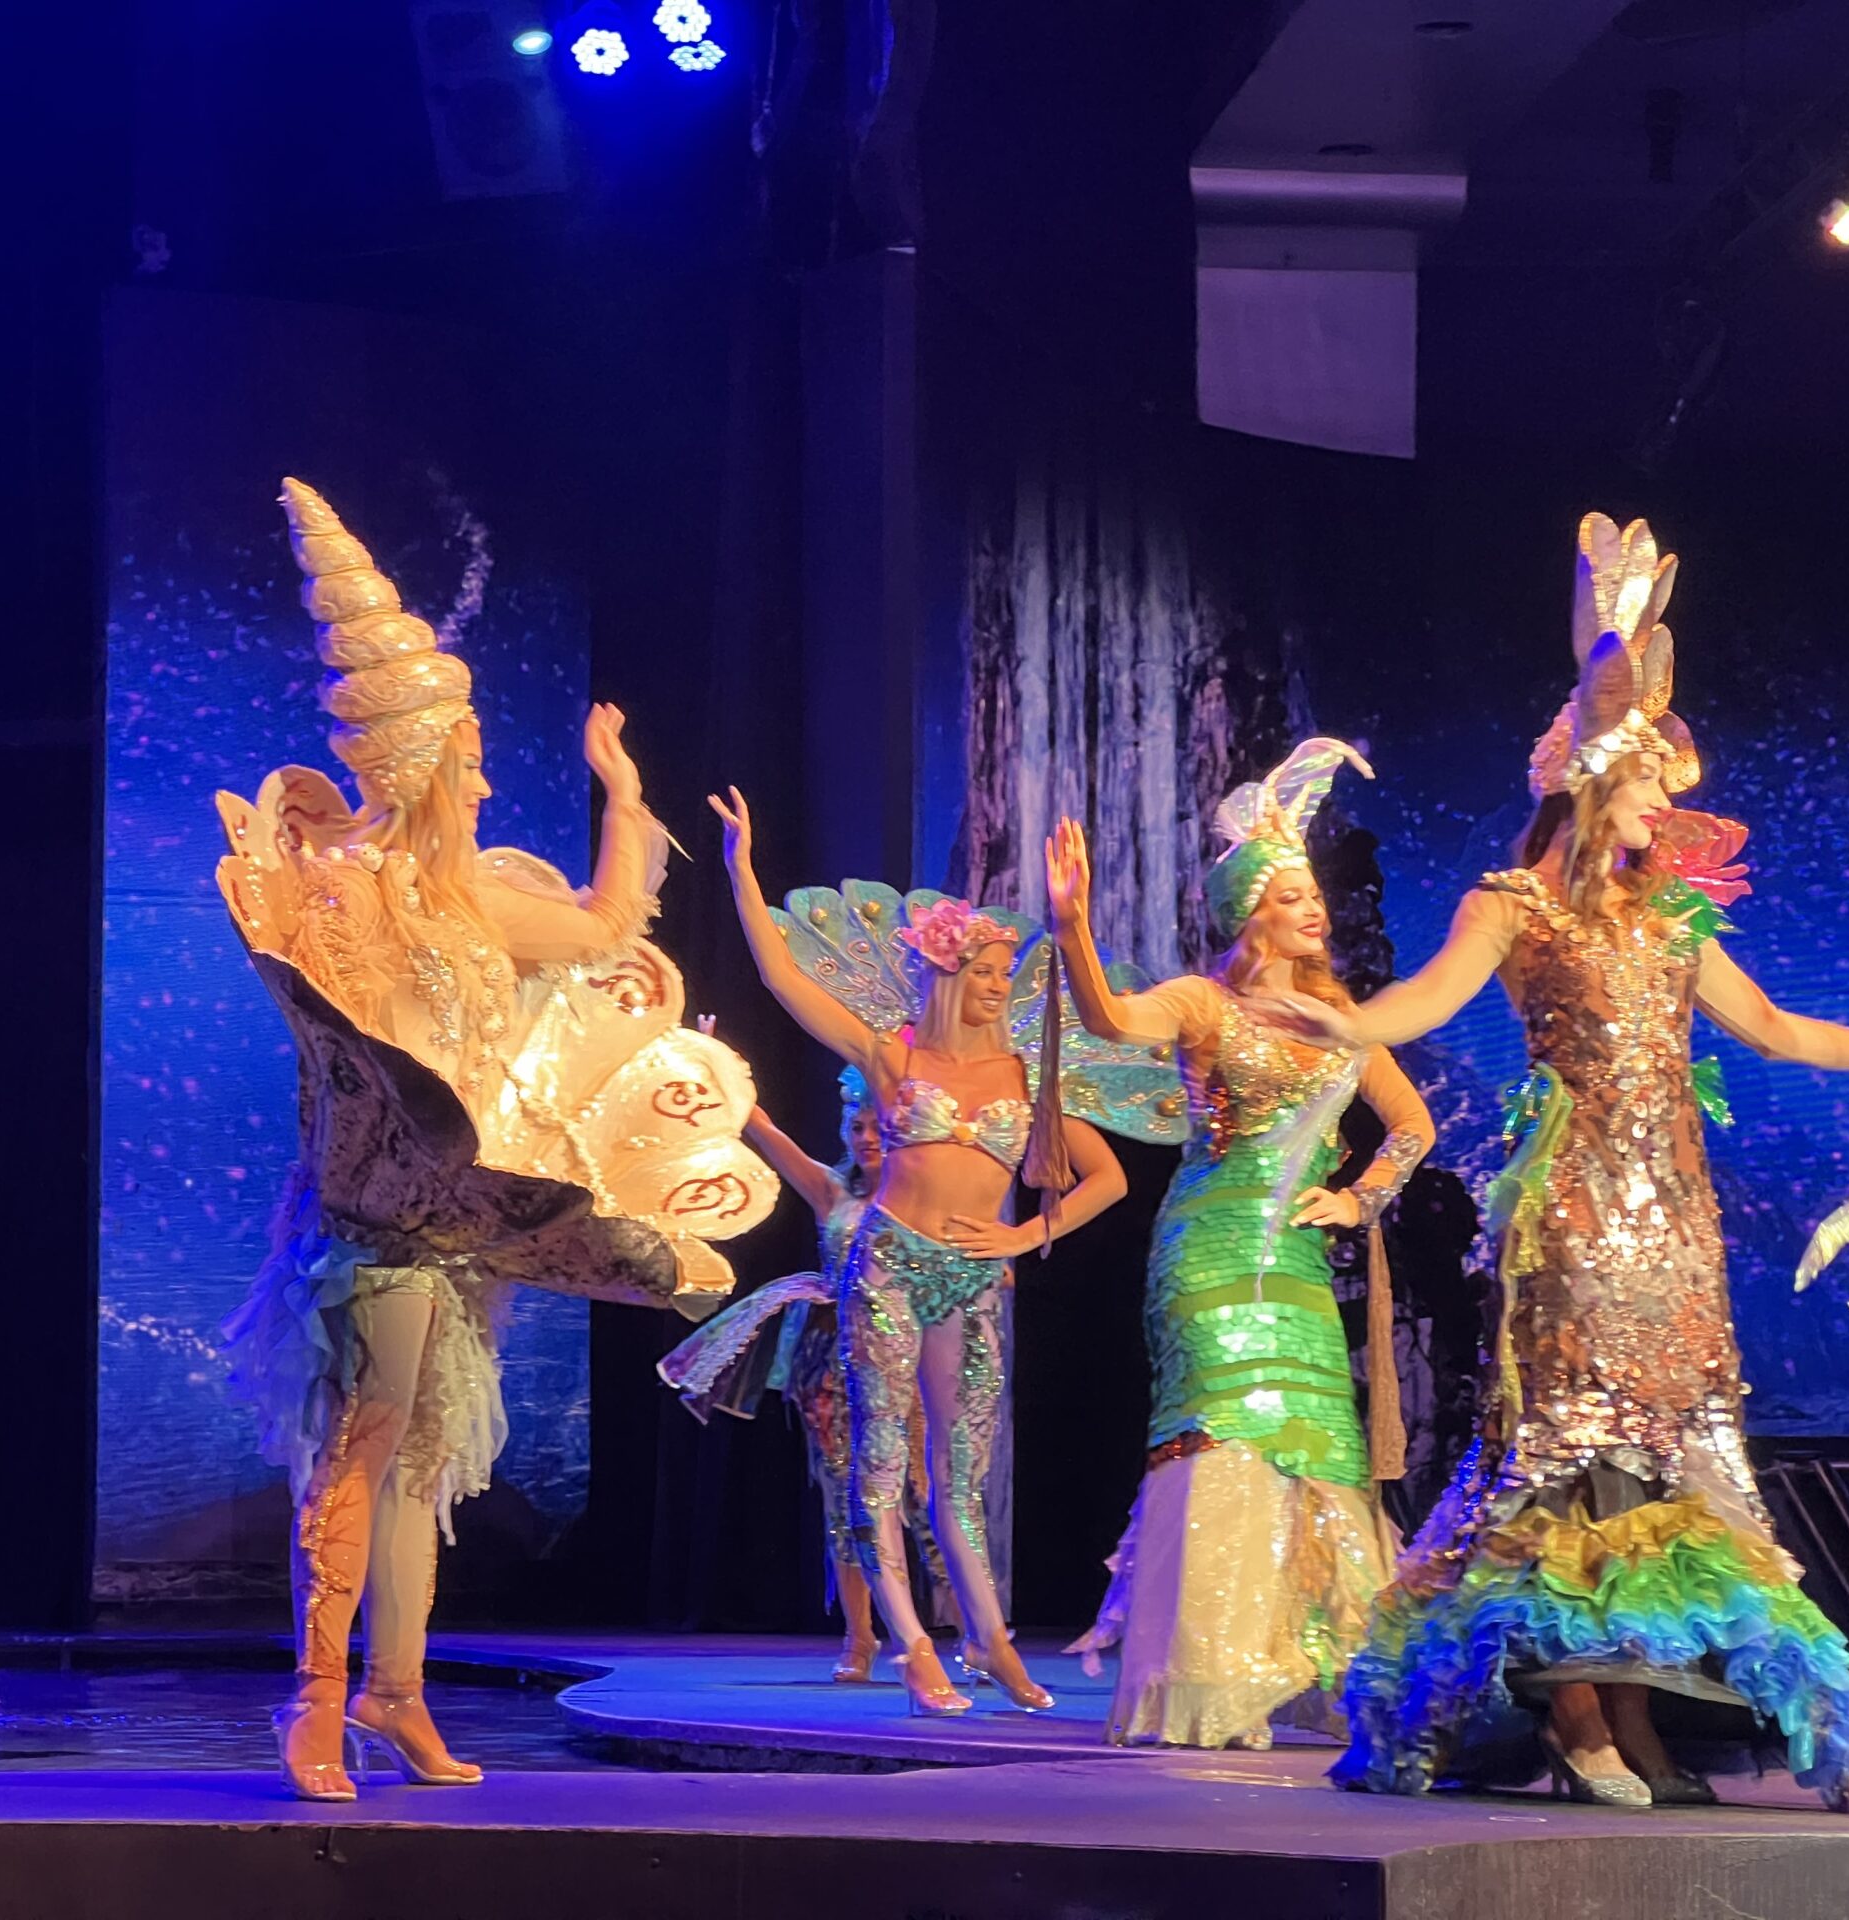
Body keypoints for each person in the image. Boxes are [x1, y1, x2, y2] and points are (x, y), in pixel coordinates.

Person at [1320, 515, 1849, 1810]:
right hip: (1569, 1210)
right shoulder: (1511, 905)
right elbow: (1419, 1004)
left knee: (1683, 1462)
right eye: (1648, 783)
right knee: (1570, 1452)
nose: (1667, 808)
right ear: (1595, 779)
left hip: (1671, 1218)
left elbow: (1776, 1028)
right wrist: (1333, 1021)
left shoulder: (1672, 918)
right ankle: (1576, 1714)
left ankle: (1648, 1714)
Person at [216, 481, 772, 1799]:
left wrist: (624, 798)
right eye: (464, 761)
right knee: (362, 1450)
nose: (480, 778)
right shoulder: (348, 892)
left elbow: (607, 929)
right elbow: (339, 1039)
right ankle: (315, 1701)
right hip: (370, 1214)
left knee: (418, 1467)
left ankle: (396, 1695)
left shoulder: (475, 899)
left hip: (460, 1218)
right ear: (417, 767)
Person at [707, 790, 1184, 1712]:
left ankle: (993, 1643)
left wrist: (1026, 1233)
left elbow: (1107, 1180)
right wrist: (742, 870)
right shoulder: (894, 1058)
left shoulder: (1024, 1075)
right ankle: (912, 1644)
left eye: (1007, 973)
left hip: (971, 1281)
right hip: (888, 1265)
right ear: (949, 976)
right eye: (987, 972)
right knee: (881, 1459)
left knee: (960, 1479)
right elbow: (783, 979)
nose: (1001, 986)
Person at [1048, 739, 1434, 1749]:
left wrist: (1359, 1200)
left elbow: (1411, 1126)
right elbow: (1110, 1019)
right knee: (1221, 1434)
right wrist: (1073, 924)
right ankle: (1212, 1677)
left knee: (1316, 1440)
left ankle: (1325, 1674)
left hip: (1296, 1259)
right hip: (1210, 1248)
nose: (1315, 911)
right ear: (1250, 912)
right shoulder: (1202, 1002)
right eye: (1293, 896)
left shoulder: (1338, 1018)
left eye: (1315, 896)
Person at [655, 1068, 968, 1678]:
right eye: (857, 1126)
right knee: (847, 1496)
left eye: (878, 1127)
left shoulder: (926, 1200)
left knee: (923, 1491)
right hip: (831, 1361)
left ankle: (965, 1628)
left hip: (906, 1360)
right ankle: (859, 1637)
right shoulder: (833, 1192)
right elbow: (764, 1129)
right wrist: (714, 1068)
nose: (867, 1137)